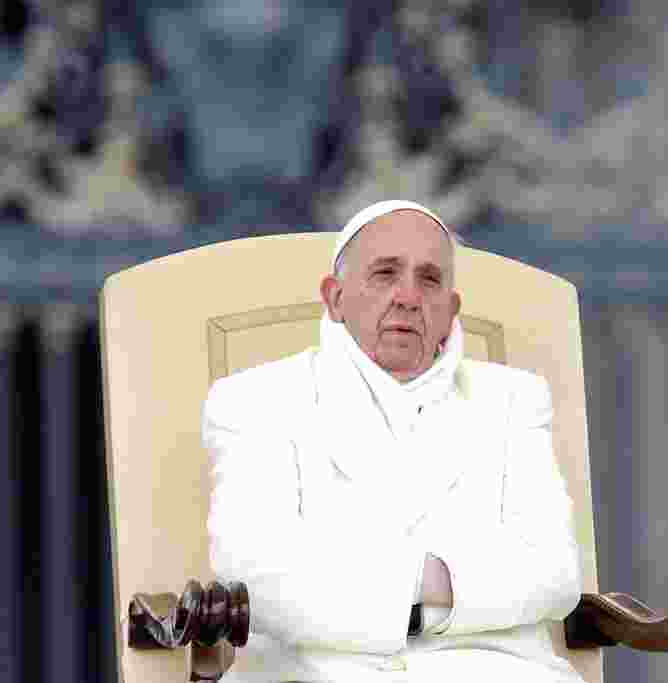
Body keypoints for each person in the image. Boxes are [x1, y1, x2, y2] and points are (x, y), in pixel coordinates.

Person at [202, 200, 586, 682]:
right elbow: (257, 578)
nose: (407, 296)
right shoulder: (256, 400)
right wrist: (439, 581)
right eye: (385, 274)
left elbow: (553, 575)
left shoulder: (513, 400)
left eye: (429, 280)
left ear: (450, 310)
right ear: (335, 297)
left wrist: (353, 571)